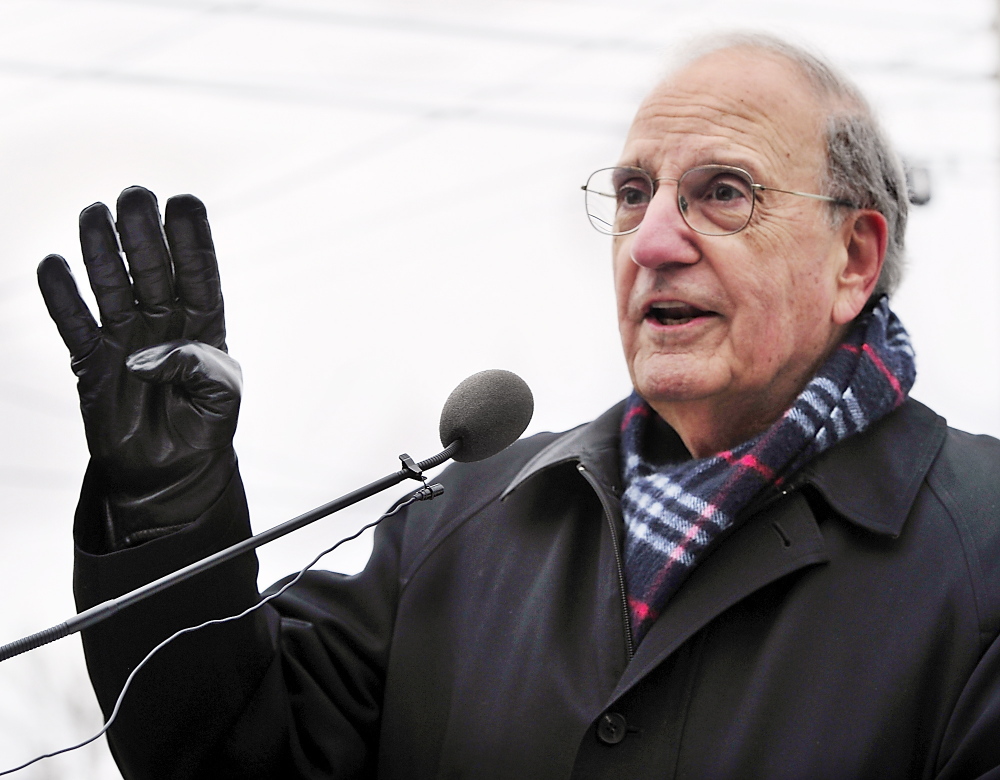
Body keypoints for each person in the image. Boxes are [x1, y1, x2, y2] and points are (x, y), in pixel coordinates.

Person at [36, 32, 1000, 779]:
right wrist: (169, 511)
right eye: (633, 193)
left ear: (855, 258)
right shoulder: (463, 512)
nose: (653, 240)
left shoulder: (986, 547)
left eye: (723, 192)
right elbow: (227, 756)